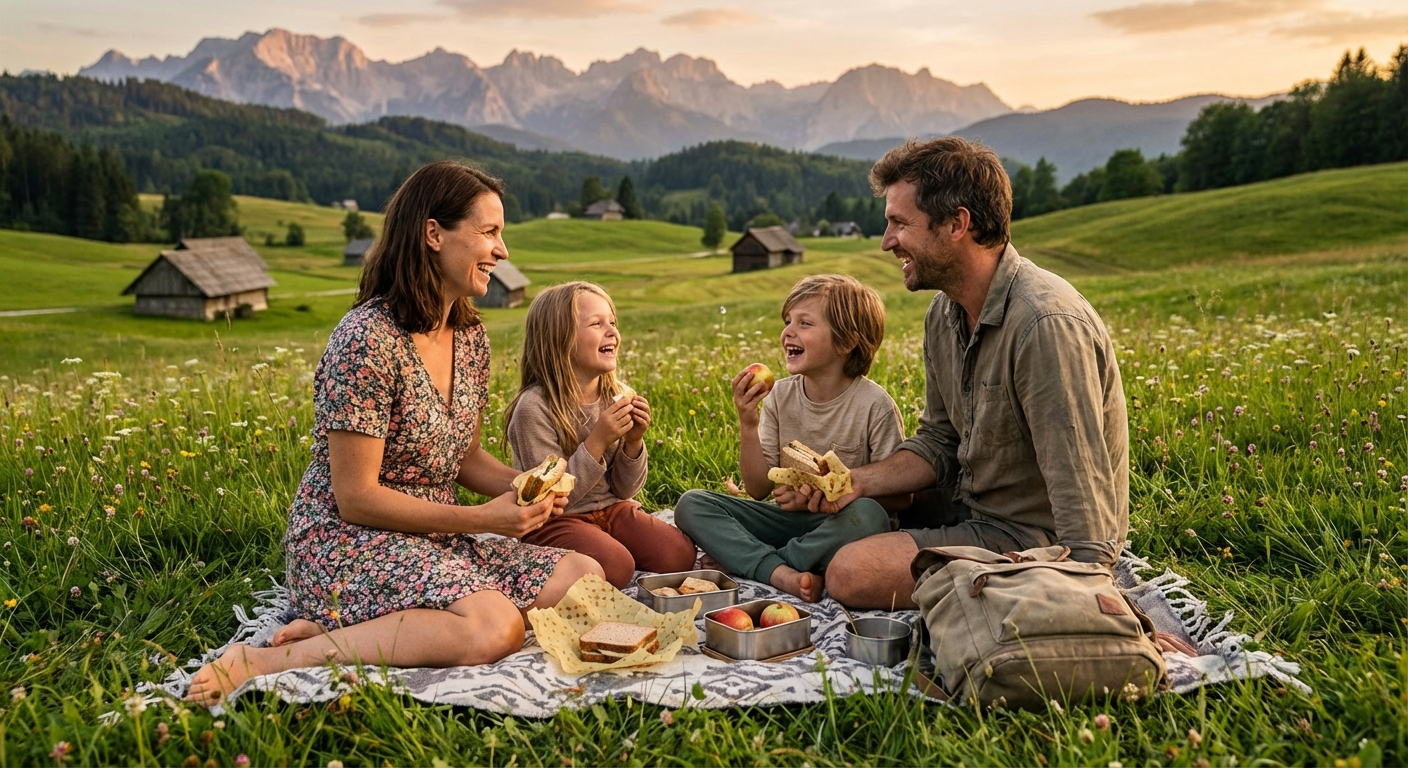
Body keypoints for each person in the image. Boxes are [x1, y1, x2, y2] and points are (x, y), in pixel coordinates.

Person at [184, 162, 603, 706]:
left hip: (433, 538)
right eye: (489, 232)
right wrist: (481, 519)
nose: (502, 251)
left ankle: (357, 629)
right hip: (345, 541)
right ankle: (265, 659)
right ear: (434, 233)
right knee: (493, 626)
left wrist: (525, 482)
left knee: (583, 577)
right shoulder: (365, 340)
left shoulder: (470, 338)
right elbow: (356, 498)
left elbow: (465, 456)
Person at [822, 137, 1129, 610]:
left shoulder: (1045, 326)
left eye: (899, 223)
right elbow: (939, 442)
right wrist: (856, 481)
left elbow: (1083, 498)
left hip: (1028, 537)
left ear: (957, 224)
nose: (887, 242)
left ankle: (1023, 586)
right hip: (964, 503)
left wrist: (1096, 597)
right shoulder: (944, 313)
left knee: (850, 572)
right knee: (843, 520)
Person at [674, 275, 904, 602]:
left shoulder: (875, 406)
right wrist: (747, 423)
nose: (787, 332)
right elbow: (757, 489)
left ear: (846, 342)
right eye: (788, 321)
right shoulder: (780, 394)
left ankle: (769, 564)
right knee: (692, 504)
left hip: (842, 529)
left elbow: (899, 499)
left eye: (805, 323)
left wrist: (826, 499)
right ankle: (786, 566)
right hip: (787, 521)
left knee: (870, 515)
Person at [506, 281, 697, 589]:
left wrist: (633, 442)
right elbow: (552, 500)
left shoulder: (618, 395)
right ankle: (556, 555)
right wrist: (598, 441)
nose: (612, 332)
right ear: (559, 340)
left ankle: (602, 541)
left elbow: (624, 491)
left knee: (679, 555)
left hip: (611, 509)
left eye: (613, 322)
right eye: (596, 324)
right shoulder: (534, 408)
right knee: (617, 566)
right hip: (554, 520)